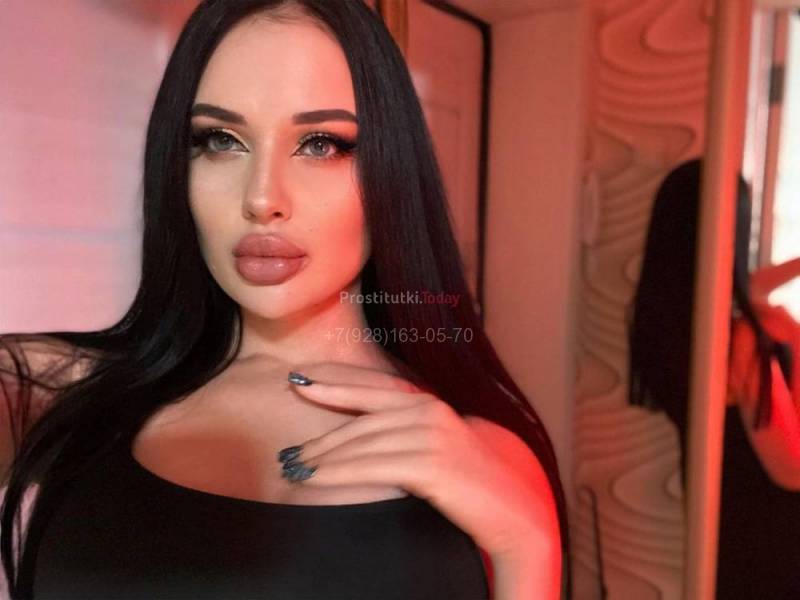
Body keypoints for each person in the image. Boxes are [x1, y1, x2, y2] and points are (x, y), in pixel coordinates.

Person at [0, 1, 569, 598]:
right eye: (220, 140)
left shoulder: (485, 454)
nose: (262, 198)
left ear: (392, 170)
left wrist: (529, 547)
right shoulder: (46, 390)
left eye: (321, 144)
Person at [628, 157, 800, 598]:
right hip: (776, 545)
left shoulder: (668, 324)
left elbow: (750, 286)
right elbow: (794, 469)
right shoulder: (742, 342)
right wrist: (796, 343)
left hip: (728, 534)